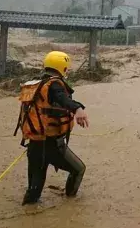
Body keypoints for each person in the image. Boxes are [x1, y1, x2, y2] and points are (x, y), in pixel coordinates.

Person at [16, 51, 89, 205]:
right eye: (66, 67)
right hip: (52, 145)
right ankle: (71, 204)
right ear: (61, 67)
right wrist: (78, 109)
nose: (67, 70)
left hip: (35, 145)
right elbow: (62, 98)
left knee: (33, 191)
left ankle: (27, 218)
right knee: (79, 170)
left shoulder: (38, 83)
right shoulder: (55, 85)